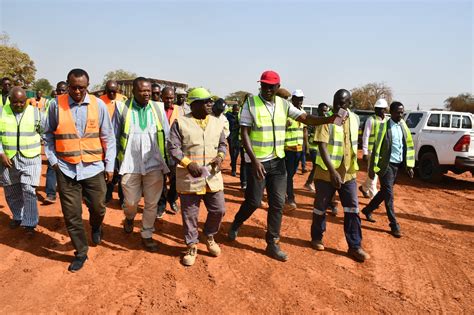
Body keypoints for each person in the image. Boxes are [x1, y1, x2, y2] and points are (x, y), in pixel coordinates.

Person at [228, 70, 336, 262]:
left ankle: (272, 243)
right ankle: (236, 223)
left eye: (271, 86)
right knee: (253, 201)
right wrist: (254, 161)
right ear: (260, 85)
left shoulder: (284, 105)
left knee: (278, 203)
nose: (267, 89)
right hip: (257, 162)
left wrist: (329, 119)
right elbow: (244, 133)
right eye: (264, 85)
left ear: (277, 87)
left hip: (278, 162)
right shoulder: (251, 103)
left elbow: (306, 119)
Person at [44, 68, 116, 272]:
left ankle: (96, 225)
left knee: (99, 206)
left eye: (82, 88)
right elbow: (48, 135)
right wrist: (53, 162)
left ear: (88, 86)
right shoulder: (55, 105)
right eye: (74, 87)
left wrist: (109, 165)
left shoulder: (98, 104)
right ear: (67, 85)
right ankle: (81, 252)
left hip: (93, 168)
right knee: (72, 215)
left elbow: (108, 137)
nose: (77, 91)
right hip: (66, 169)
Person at [168, 87, 227, 266]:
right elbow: (173, 148)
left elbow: (223, 144)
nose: (210, 104)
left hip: (212, 177)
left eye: (210, 101)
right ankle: (192, 245)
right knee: (190, 215)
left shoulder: (217, 123)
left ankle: (209, 235)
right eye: (206, 101)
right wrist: (188, 163)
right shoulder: (180, 122)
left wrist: (220, 157)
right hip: (189, 176)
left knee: (219, 210)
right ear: (194, 105)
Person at [311, 89, 370, 262]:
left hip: (348, 172)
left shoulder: (355, 119)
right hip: (326, 172)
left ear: (349, 104)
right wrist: (332, 171)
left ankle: (355, 246)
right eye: (336, 102)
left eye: (342, 103)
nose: (338, 107)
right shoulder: (327, 119)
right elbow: (322, 147)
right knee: (320, 207)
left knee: (352, 209)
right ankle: (316, 237)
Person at [114, 77, 169, 252]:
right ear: (133, 91)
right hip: (130, 164)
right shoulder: (122, 108)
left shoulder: (158, 108)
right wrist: (114, 163)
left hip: (154, 163)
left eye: (148, 91)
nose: (146, 94)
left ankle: (147, 234)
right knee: (131, 202)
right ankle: (129, 217)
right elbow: (114, 136)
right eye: (142, 91)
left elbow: (166, 136)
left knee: (152, 203)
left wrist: (169, 164)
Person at [361, 101, 415, 238]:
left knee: (385, 191)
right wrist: (373, 168)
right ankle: (394, 225)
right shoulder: (384, 127)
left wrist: (409, 165)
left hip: (398, 165)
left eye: (402, 112)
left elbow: (408, 145)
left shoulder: (403, 125)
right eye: (398, 112)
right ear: (391, 112)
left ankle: (367, 209)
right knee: (389, 195)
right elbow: (376, 148)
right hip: (386, 166)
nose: (401, 114)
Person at [0, 87, 42, 237]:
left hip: (30, 158)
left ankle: (30, 223)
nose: (19, 105)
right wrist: (1, 153)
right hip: (8, 159)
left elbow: (45, 132)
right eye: (15, 102)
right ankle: (18, 216)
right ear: (10, 100)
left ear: (26, 100)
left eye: (22, 102)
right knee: (12, 191)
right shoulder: (1, 112)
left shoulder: (36, 113)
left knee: (29, 190)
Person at [100, 80, 127, 204]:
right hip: (104, 141)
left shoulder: (123, 101)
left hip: (120, 140)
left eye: (114, 91)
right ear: (105, 90)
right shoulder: (99, 101)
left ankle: (122, 198)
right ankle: (107, 194)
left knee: (122, 171)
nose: (112, 93)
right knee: (107, 168)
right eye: (109, 91)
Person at [156, 87, 179, 218]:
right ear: (161, 97)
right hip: (159, 151)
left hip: (174, 151)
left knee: (176, 180)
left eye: (171, 98)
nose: (169, 100)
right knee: (161, 181)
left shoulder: (179, 110)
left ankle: (172, 198)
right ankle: (161, 205)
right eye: (166, 97)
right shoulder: (156, 109)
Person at [43, 81, 68, 204]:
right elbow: (47, 125)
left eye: (64, 90)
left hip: (68, 145)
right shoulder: (52, 104)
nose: (61, 92)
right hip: (54, 143)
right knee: (51, 168)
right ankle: (51, 194)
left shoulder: (70, 105)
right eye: (59, 90)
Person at [359, 99, 388, 199]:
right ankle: (374, 196)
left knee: (375, 172)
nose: (378, 110)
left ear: (384, 109)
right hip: (371, 152)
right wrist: (365, 152)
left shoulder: (387, 121)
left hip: (381, 153)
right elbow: (365, 136)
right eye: (376, 108)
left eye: (380, 109)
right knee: (373, 173)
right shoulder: (371, 120)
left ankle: (364, 187)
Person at [284, 89, 307, 210]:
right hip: (287, 149)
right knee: (288, 175)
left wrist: (305, 148)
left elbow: (304, 131)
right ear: (292, 99)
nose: (300, 101)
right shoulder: (287, 112)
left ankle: (284, 193)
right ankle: (289, 198)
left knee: (290, 175)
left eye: (301, 98)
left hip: (298, 150)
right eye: (297, 98)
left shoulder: (303, 112)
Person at [225, 103, 241, 177]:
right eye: (235, 110)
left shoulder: (240, 116)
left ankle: (233, 163)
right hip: (231, 137)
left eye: (237, 110)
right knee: (232, 153)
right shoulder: (228, 116)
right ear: (232, 109)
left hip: (238, 137)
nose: (236, 111)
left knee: (236, 153)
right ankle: (233, 170)